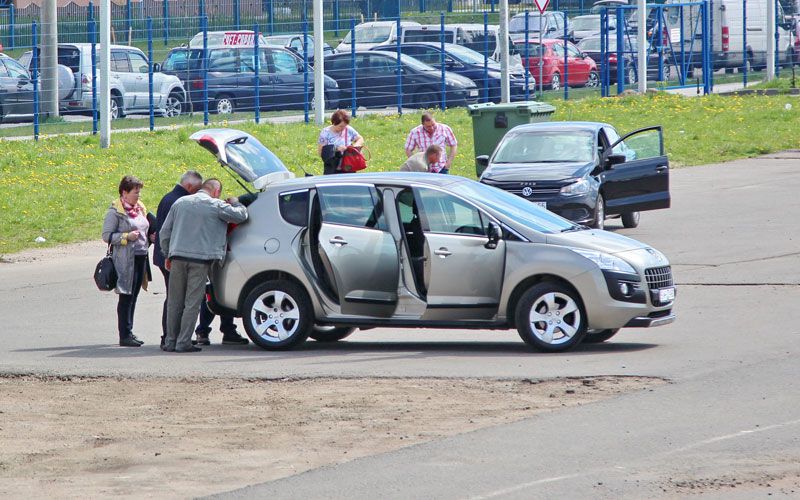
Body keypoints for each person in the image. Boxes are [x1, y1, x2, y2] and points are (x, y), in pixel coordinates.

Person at [159, 179, 248, 353]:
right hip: (200, 261)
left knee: (174, 302)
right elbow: (241, 215)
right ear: (216, 192)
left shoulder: (180, 203)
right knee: (192, 303)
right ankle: (183, 342)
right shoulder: (215, 205)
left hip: (177, 258)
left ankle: (171, 341)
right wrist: (236, 202)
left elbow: (164, 232)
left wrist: (168, 253)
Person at [153, 170, 203, 347]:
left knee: (173, 297)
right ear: (189, 186)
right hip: (171, 255)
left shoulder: (169, 197)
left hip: (165, 254)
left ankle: (169, 336)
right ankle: (170, 336)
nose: (197, 193)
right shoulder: (179, 201)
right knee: (175, 299)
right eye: (196, 189)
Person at [102, 175, 151, 348]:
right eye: (135, 192)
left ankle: (129, 331)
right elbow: (107, 236)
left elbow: (145, 227)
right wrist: (126, 237)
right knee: (126, 297)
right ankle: (125, 335)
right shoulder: (115, 212)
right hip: (125, 260)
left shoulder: (140, 208)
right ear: (125, 192)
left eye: (139, 191)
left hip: (140, 257)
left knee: (134, 296)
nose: (138, 195)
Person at [317, 109, 364, 174]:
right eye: (341, 126)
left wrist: (354, 146)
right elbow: (321, 152)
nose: (343, 128)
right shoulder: (325, 132)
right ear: (334, 123)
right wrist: (336, 149)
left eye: (345, 126)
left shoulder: (348, 129)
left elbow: (360, 139)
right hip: (332, 168)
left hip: (348, 166)